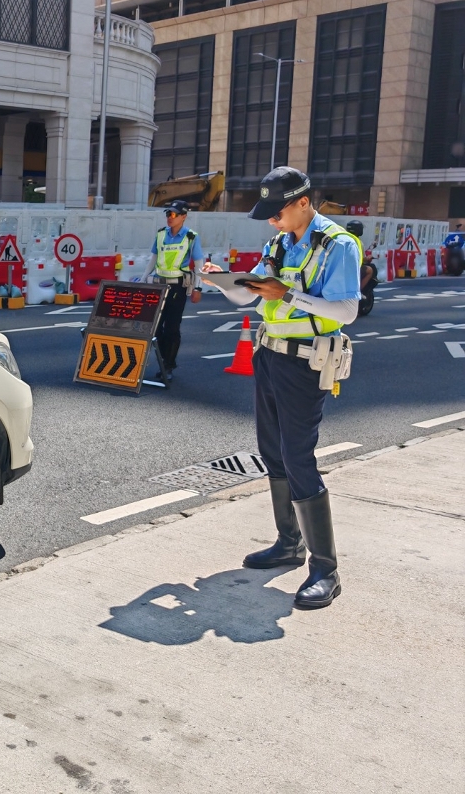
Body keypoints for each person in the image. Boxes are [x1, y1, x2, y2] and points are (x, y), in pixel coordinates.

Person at [201, 167, 360, 609]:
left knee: (297, 457)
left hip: (306, 362)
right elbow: (250, 295)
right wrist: (223, 281)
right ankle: (289, 544)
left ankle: (326, 569)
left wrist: (286, 294)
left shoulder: (338, 245)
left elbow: (347, 310)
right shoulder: (279, 243)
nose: (272, 220)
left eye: (278, 212)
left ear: (303, 203)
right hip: (269, 355)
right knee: (271, 452)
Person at [143, 200, 203, 381]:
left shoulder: (191, 237)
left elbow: (199, 264)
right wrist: (144, 278)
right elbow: (153, 259)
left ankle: (168, 365)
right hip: (159, 286)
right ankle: (164, 359)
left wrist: (198, 287)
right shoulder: (161, 234)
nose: (170, 217)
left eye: (174, 214)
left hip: (177, 286)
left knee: (172, 328)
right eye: (168, 213)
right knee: (155, 328)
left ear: (184, 216)